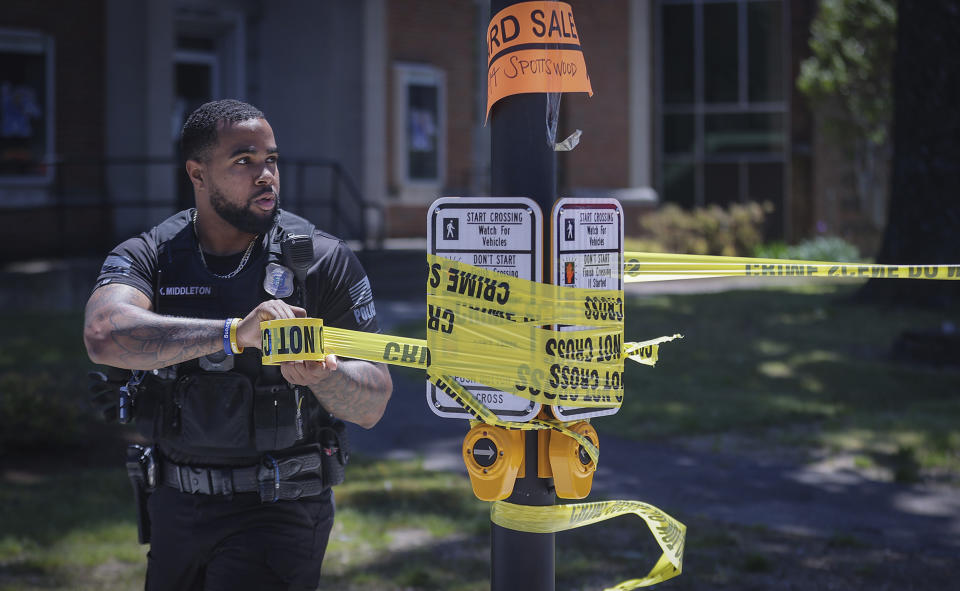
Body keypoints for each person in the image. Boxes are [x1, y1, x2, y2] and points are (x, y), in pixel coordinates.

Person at [83, 99, 392, 591]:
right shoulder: (153, 254)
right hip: (174, 507)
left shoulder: (322, 261)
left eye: (271, 159)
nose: (266, 174)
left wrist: (327, 375)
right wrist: (232, 333)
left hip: (278, 510)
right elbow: (104, 333)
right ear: (197, 173)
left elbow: (374, 398)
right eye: (244, 161)